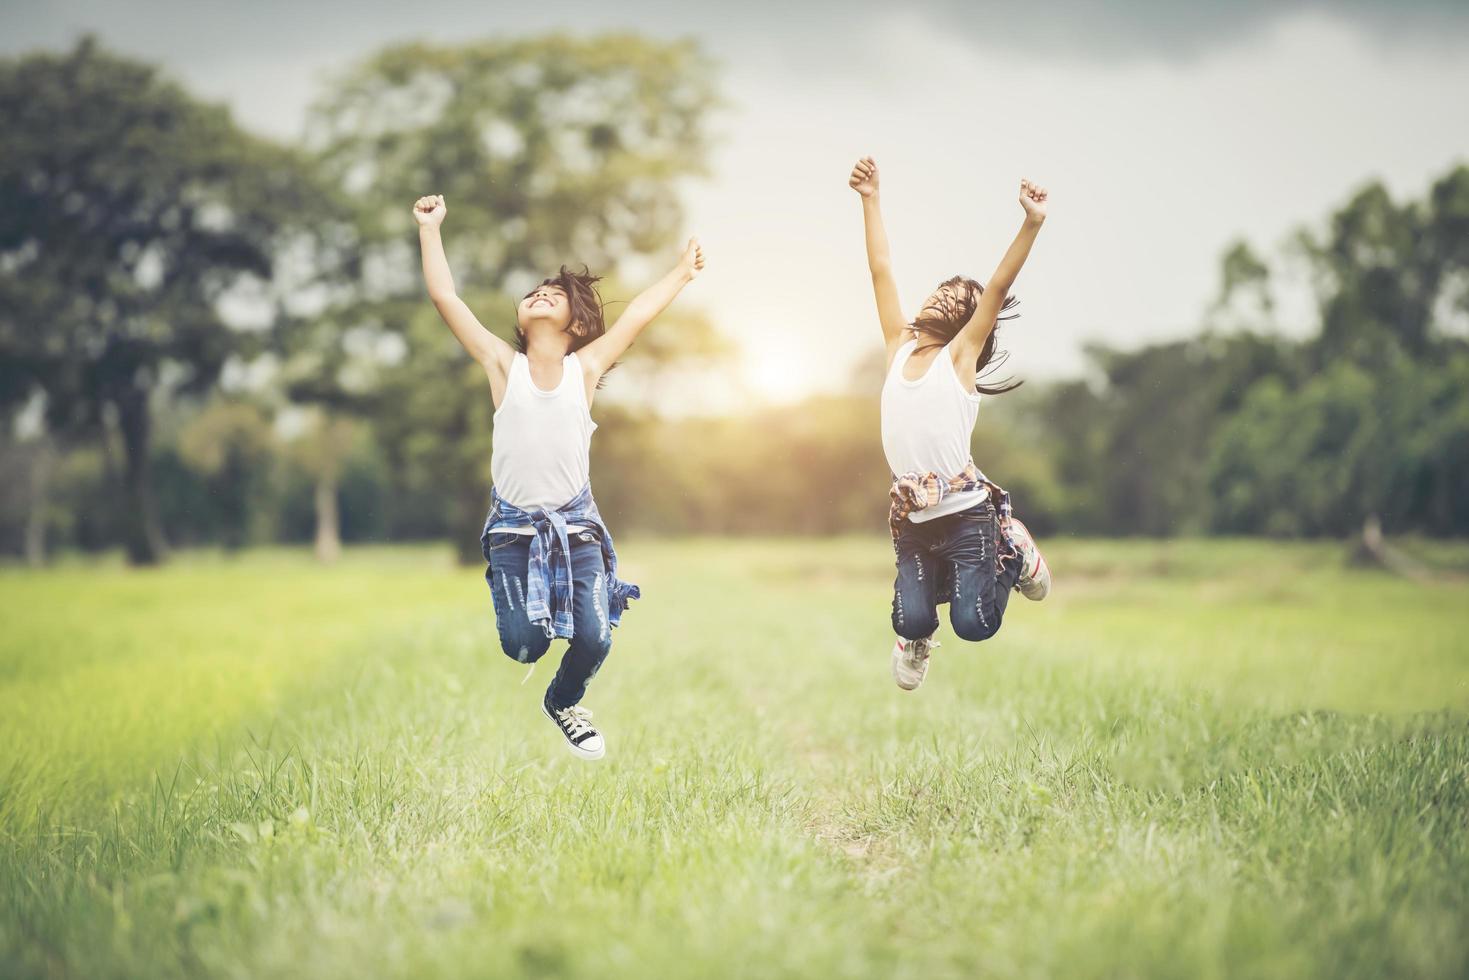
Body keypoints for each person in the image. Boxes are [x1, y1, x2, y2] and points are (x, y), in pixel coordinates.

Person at [413, 193, 705, 757]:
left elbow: (639, 313)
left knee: (595, 637)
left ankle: (564, 702)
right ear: (522, 320)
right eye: (534, 293)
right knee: (523, 646)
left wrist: (681, 274)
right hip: (514, 534)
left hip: (577, 529)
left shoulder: (585, 368)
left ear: (577, 324)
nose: (540, 295)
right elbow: (445, 295)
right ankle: (523, 608)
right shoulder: (503, 365)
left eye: (556, 296)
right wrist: (431, 229)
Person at [848, 158, 1052, 692]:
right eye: (941, 290)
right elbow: (882, 269)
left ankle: (1015, 547)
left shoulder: (959, 358)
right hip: (915, 521)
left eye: (956, 298)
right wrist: (871, 198)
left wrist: (1031, 222)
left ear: (968, 322)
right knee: (910, 619)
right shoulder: (897, 347)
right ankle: (914, 638)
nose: (942, 295)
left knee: (975, 625)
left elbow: (999, 284)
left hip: (967, 519)